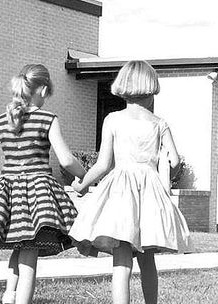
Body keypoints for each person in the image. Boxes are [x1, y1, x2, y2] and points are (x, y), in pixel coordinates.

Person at [0, 64, 86, 304]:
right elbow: (66, 160)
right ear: (43, 90)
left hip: (8, 193)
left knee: (19, 244)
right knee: (29, 254)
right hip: (37, 194)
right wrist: (84, 175)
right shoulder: (47, 119)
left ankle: (9, 296)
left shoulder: (1, 121)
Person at [69, 60, 193, 304]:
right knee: (148, 259)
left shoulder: (113, 120)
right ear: (150, 90)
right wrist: (167, 165)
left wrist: (82, 185)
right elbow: (175, 160)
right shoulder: (159, 123)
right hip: (150, 193)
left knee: (121, 260)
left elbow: (103, 164)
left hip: (120, 193)